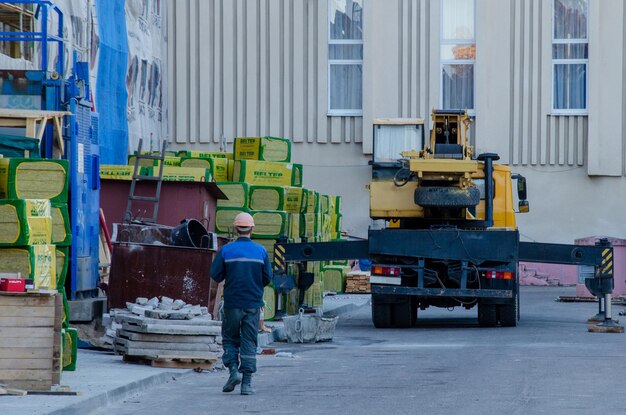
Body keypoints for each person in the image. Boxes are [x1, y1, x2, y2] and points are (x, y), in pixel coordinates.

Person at [210, 212, 272, 395]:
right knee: (249, 341)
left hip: (232, 303)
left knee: (229, 338)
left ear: (236, 228)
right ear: (252, 228)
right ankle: (246, 385)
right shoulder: (261, 251)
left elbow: (215, 275)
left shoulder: (226, 251)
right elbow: (267, 277)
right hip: (252, 304)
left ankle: (233, 371)